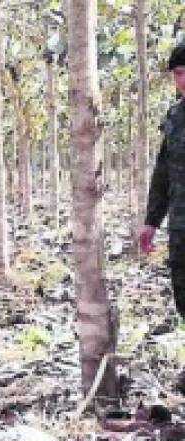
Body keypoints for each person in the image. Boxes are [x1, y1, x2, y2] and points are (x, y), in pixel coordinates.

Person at [139, 42, 185, 341]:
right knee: (182, 295)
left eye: (183, 73)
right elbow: (163, 171)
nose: (178, 81)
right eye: (176, 74)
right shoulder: (175, 117)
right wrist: (151, 221)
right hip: (181, 227)